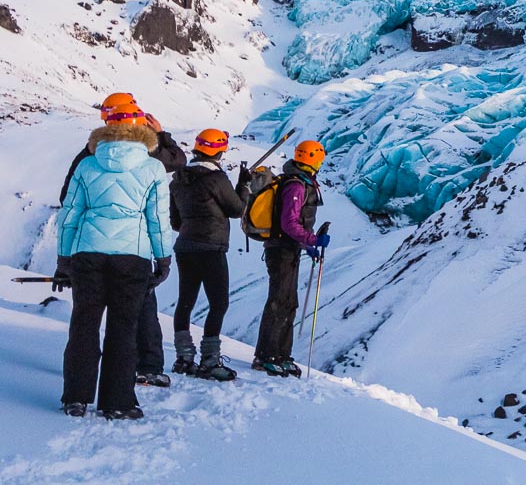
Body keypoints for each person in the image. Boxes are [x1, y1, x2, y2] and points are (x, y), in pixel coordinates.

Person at [60, 94, 187, 389]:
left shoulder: (89, 158)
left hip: (88, 251)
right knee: (128, 324)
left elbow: (69, 206)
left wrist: (65, 258)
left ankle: (77, 393)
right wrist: (163, 258)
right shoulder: (150, 160)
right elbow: (176, 166)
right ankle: (139, 375)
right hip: (133, 253)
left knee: (84, 325)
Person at [169, 128, 250, 381]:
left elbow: (175, 221)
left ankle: (184, 358)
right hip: (211, 247)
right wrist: (243, 185)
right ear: (219, 151)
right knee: (218, 303)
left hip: (185, 246)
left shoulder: (179, 179)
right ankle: (210, 361)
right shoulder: (216, 179)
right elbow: (236, 209)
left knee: (185, 301)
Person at [252, 139, 331, 378]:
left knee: (288, 302)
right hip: (282, 250)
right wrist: (312, 240)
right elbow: (289, 223)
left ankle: (280, 355)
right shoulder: (297, 185)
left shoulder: (298, 181)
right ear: (312, 159)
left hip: (287, 249)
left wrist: (306, 245)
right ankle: (267, 356)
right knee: (280, 301)